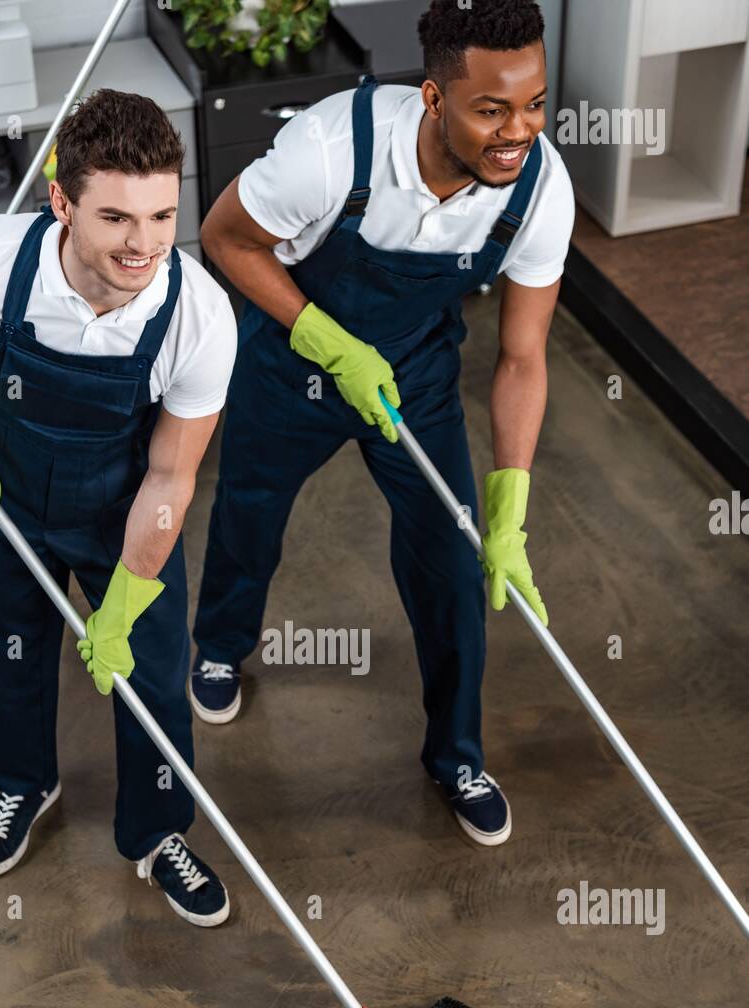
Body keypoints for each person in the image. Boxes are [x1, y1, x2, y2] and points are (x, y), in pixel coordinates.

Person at [190, 0, 574, 847]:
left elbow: (522, 357)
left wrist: (510, 499)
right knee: (249, 510)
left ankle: (456, 756)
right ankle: (219, 645)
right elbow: (224, 238)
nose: (519, 132)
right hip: (293, 360)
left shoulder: (540, 187)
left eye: (535, 104)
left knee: (453, 558)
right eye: (491, 110)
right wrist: (327, 343)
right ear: (434, 99)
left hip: (415, 377)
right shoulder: (333, 149)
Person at [0, 89, 237, 925]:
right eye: (116, 217)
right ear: (62, 203)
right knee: (9, 655)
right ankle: (24, 784)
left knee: (150, 674)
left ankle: (158, 831)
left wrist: (127, 597)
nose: (144, 244)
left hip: (123, 512)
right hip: (2, 495)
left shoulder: (198, 316)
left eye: (161, 216)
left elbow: (171, 478)